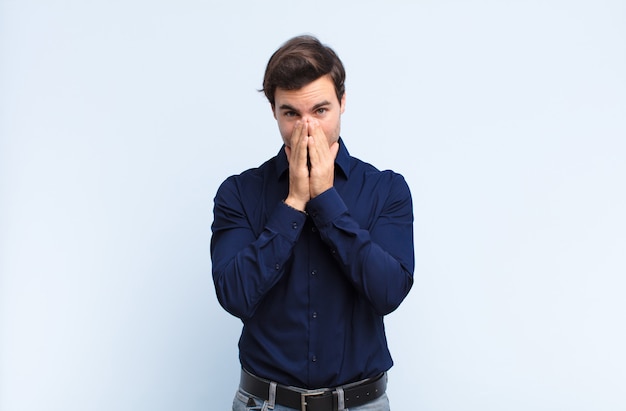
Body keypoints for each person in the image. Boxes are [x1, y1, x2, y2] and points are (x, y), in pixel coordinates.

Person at [211, 35, 414, 411]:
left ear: (342, 103)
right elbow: (234, 296)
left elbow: (389, 293)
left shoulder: (387, 190)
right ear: (274, 111)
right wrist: (293, 204)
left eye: (320, 111)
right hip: (265, 403)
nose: (307, 129)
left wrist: (325, 200)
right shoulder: (239, 193)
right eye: (291, 113)